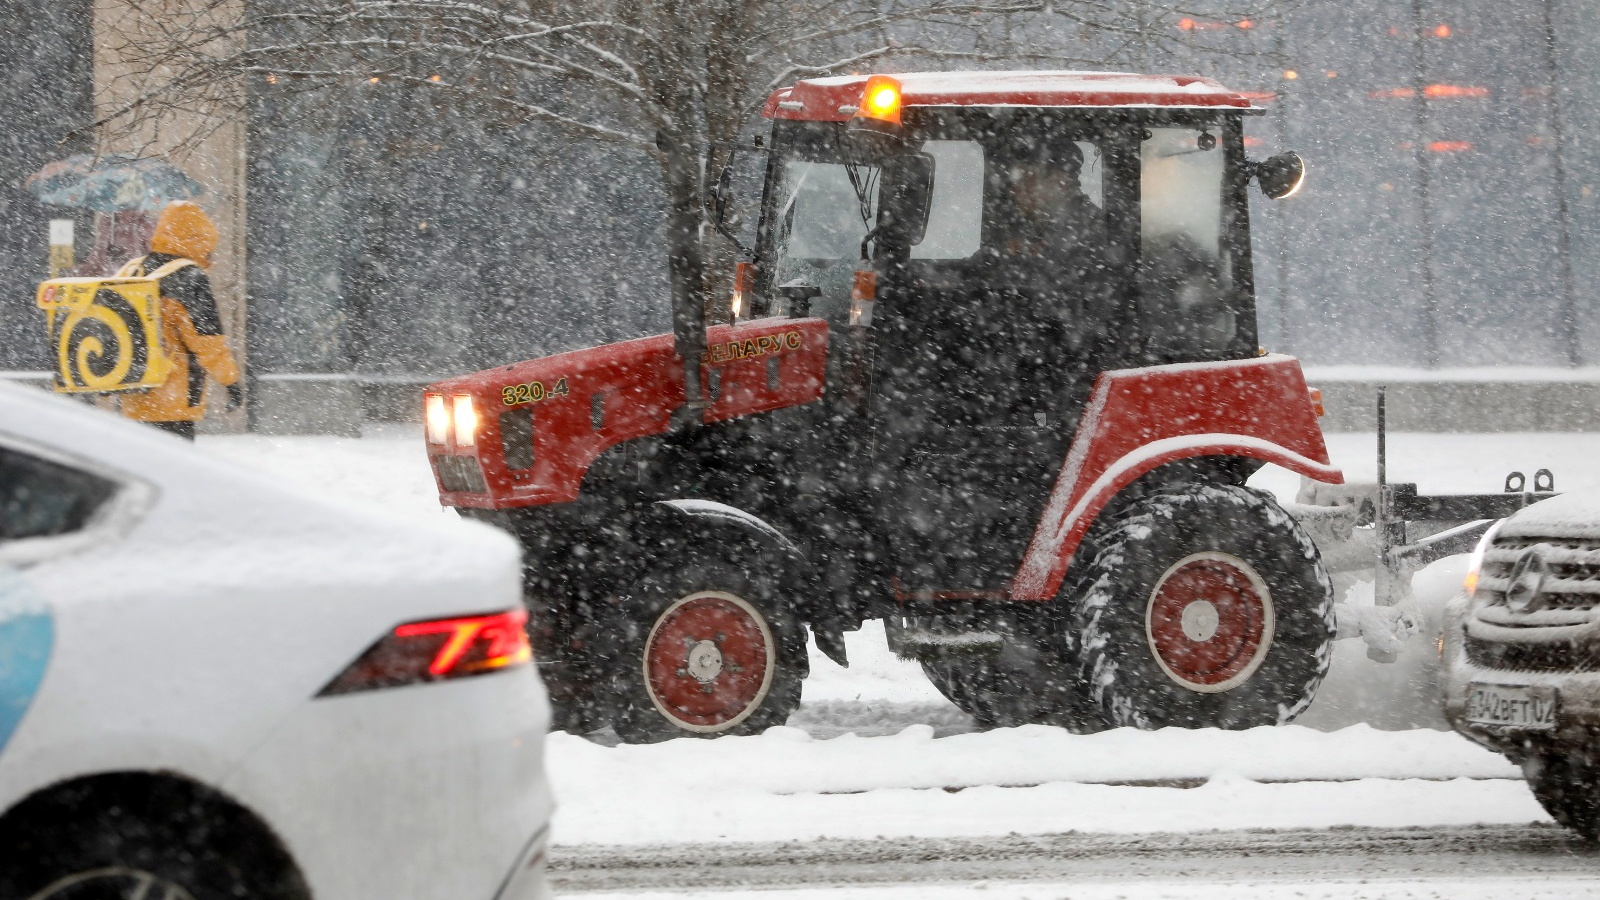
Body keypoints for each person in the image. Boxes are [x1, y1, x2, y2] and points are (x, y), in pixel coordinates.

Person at [117, 201, 242, 440]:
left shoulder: (133, 269)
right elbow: (207, 341)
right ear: (200, 240)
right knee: (173, 461)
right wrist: (230, 381)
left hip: (134, 391)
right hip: (173, 397)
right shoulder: (189, 276)